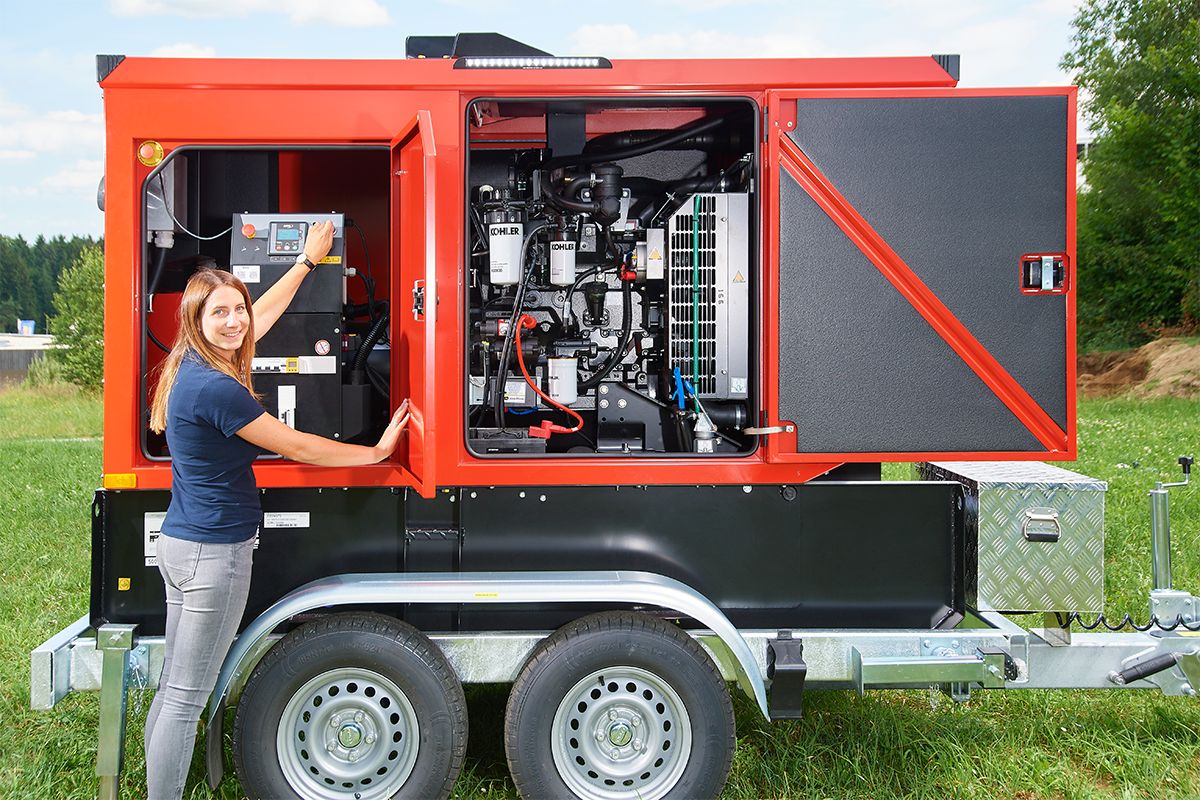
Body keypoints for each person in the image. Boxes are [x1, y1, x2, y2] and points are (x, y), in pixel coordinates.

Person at [142, 219, 409, 800]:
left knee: (174, 691)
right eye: (220, 312)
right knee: (186, 699)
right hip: (213, 555)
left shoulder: (193, 364)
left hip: (183, 545)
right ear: (195, 320)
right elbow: (298, 446)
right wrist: (375, 453)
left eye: (236, 309)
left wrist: (307, 262)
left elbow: (262, 314)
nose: (235, 320)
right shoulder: (218, 388)